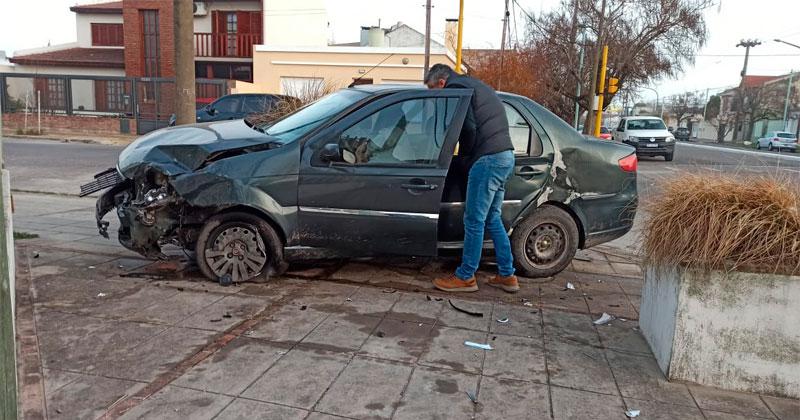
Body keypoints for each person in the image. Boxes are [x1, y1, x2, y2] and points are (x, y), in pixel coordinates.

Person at [425, 63, 519, 293]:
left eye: (432, 91)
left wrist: (463, 158)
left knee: (473, 220)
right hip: (505, 155)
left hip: (487, 160)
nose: (435, 98)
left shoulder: (457, 89)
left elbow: (467, 128)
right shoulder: (474, 84)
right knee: (491, 219)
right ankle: (507, 275)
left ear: (441, 83)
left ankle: (466, 276)